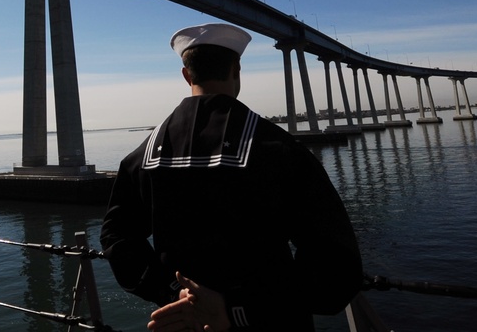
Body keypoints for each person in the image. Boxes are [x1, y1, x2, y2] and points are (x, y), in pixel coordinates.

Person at [100, 23, 364, 331]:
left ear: (187, 75)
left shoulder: (142, 156)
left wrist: (172, 292)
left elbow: (116, 238)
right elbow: (338, 268)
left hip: (182, 323)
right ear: (236, 70)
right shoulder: (280, 149)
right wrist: (237, 309)